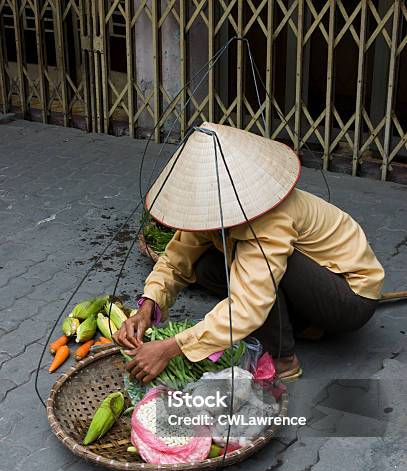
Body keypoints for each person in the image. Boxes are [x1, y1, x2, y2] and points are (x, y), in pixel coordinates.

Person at [114, 123, 384, 382]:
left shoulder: (271, 220)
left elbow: (249, 304)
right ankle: (305, 326)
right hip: (309, 288)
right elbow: (175, 260)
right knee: (206, 267)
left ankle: (284, 361)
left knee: (262, 275)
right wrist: (149, 305)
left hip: (348, 297)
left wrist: (171, 347)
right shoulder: (210, 205)